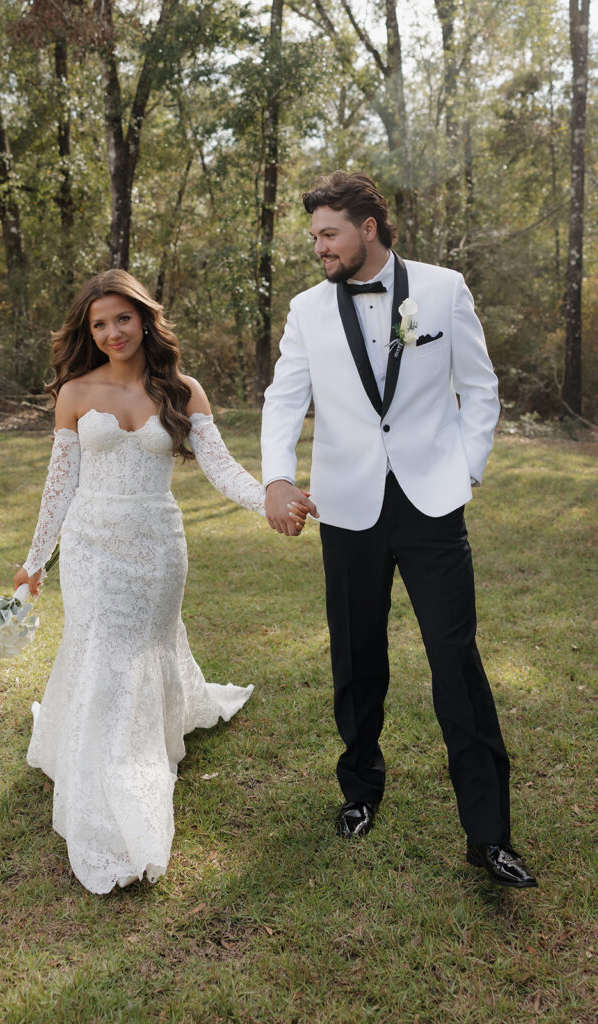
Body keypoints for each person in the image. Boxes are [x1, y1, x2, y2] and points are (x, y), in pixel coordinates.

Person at [260, 171, 537, 889]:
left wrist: (465, 468)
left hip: (431, 503)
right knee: (356, 657)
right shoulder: (306, 310)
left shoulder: (444, 289)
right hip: (347, 505)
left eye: (329, 234)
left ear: (369, 229)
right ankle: (360, 789)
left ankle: (489, 835)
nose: (318, 246)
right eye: (314, 235)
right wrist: (276, 477)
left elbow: (479, 389)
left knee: (456, 661)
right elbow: (283, 399)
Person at [13, 269, 307, 893]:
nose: (112, 332)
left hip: (155, 551)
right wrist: (36, 560)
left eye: (122, 318)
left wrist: (269, 502)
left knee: (138, 654)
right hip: (91, 549)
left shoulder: (182, 391)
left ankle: (133, 759)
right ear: (87, 331)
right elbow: (59, 485)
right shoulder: (74, 391)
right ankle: (99, 773)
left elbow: (223, 470)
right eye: (99, 323)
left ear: (144, 319)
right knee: (99, 651)